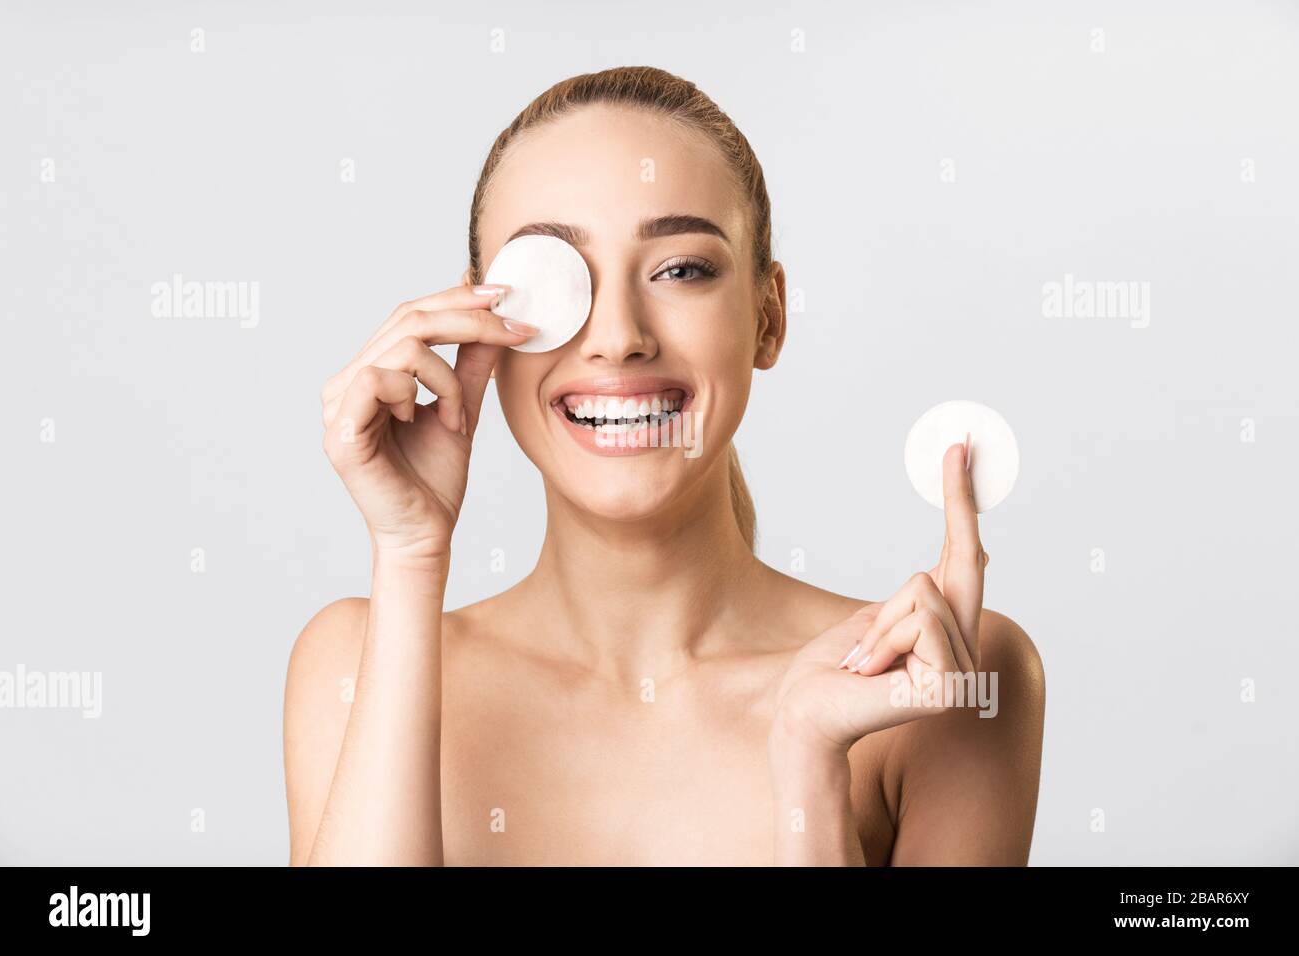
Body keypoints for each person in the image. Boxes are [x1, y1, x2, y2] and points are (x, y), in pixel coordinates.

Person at [284, 66, 1045, 865]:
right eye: (552, 282)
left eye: (680, 269)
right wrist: (410, 555)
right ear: (476, 328)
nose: (618, 336)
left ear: (768, 317)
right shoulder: (354, 663)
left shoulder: (936, 676)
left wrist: (810, 770)